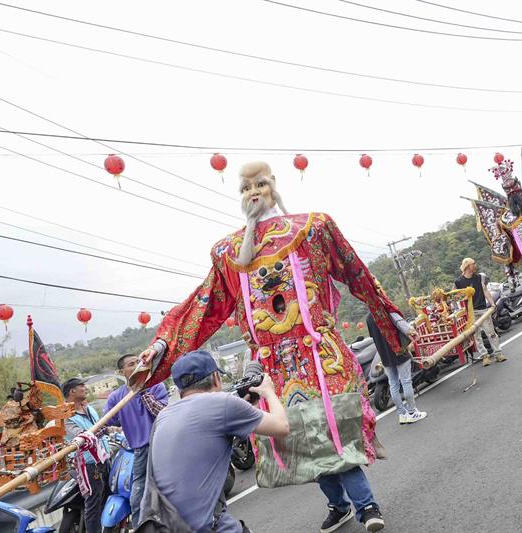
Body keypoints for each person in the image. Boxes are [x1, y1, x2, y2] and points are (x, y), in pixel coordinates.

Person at [136, 161, 400, 532]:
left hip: (320, 357)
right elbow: (202, 306)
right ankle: (337, 504)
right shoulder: (227, 252)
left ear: (274, 185)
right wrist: (163, 342)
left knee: (334, 435)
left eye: (260, 184)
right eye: (245, 188)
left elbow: (356, 272)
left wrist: (389, 313)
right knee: (299, 444)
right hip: (272, 370)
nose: (253, 192)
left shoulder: (313, 228)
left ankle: (367, 507)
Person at [139, 350, 288, 533]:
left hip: (162, 525)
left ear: (179, 388)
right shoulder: (223, 403)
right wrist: (269, 392)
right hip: (205, 527)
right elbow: (282, 427)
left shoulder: (163, 415)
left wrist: (244, 407)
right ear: (216, 378)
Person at [104, 354, 168, 527]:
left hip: (164, 444)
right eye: (132, 364)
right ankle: (142, 527)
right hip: (140, 450)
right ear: (122, 372)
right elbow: (107, 422)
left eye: (139, 362)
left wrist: (143, 391)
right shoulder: (116, 398)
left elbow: (163, 412)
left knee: (172, 484)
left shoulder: (155, 386)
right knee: (138, 493)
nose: (138, 365)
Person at [62, 377, 111, 533]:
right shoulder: (65, 417)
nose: (85, 387)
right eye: (82, 385)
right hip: (89, 465)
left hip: (104, 458)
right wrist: (108, 429)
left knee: (106, 496)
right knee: (93, 505)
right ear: (72, 391)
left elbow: (100, 427)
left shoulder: (88, 408)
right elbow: (83, 437)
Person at [365, 312, 427, 425]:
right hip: (400, 352)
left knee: (393, 384)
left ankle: (402, 415)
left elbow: (374, 337)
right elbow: (402, 326)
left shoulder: (369, 317)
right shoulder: (387, 311)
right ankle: (412, 412)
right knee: (406, 381)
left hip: (384, 356)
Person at [454, 258, 505, 366]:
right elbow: (456, 297)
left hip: (483, 309)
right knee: (477, 336)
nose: (475, 266)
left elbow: (485, 290)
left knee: (491, 332)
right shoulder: (458, 282)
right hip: (470, 313)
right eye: (473, 264)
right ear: (467, 267)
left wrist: (492, 303)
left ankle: (498, 353)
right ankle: (484, 356)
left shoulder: (479, 277)